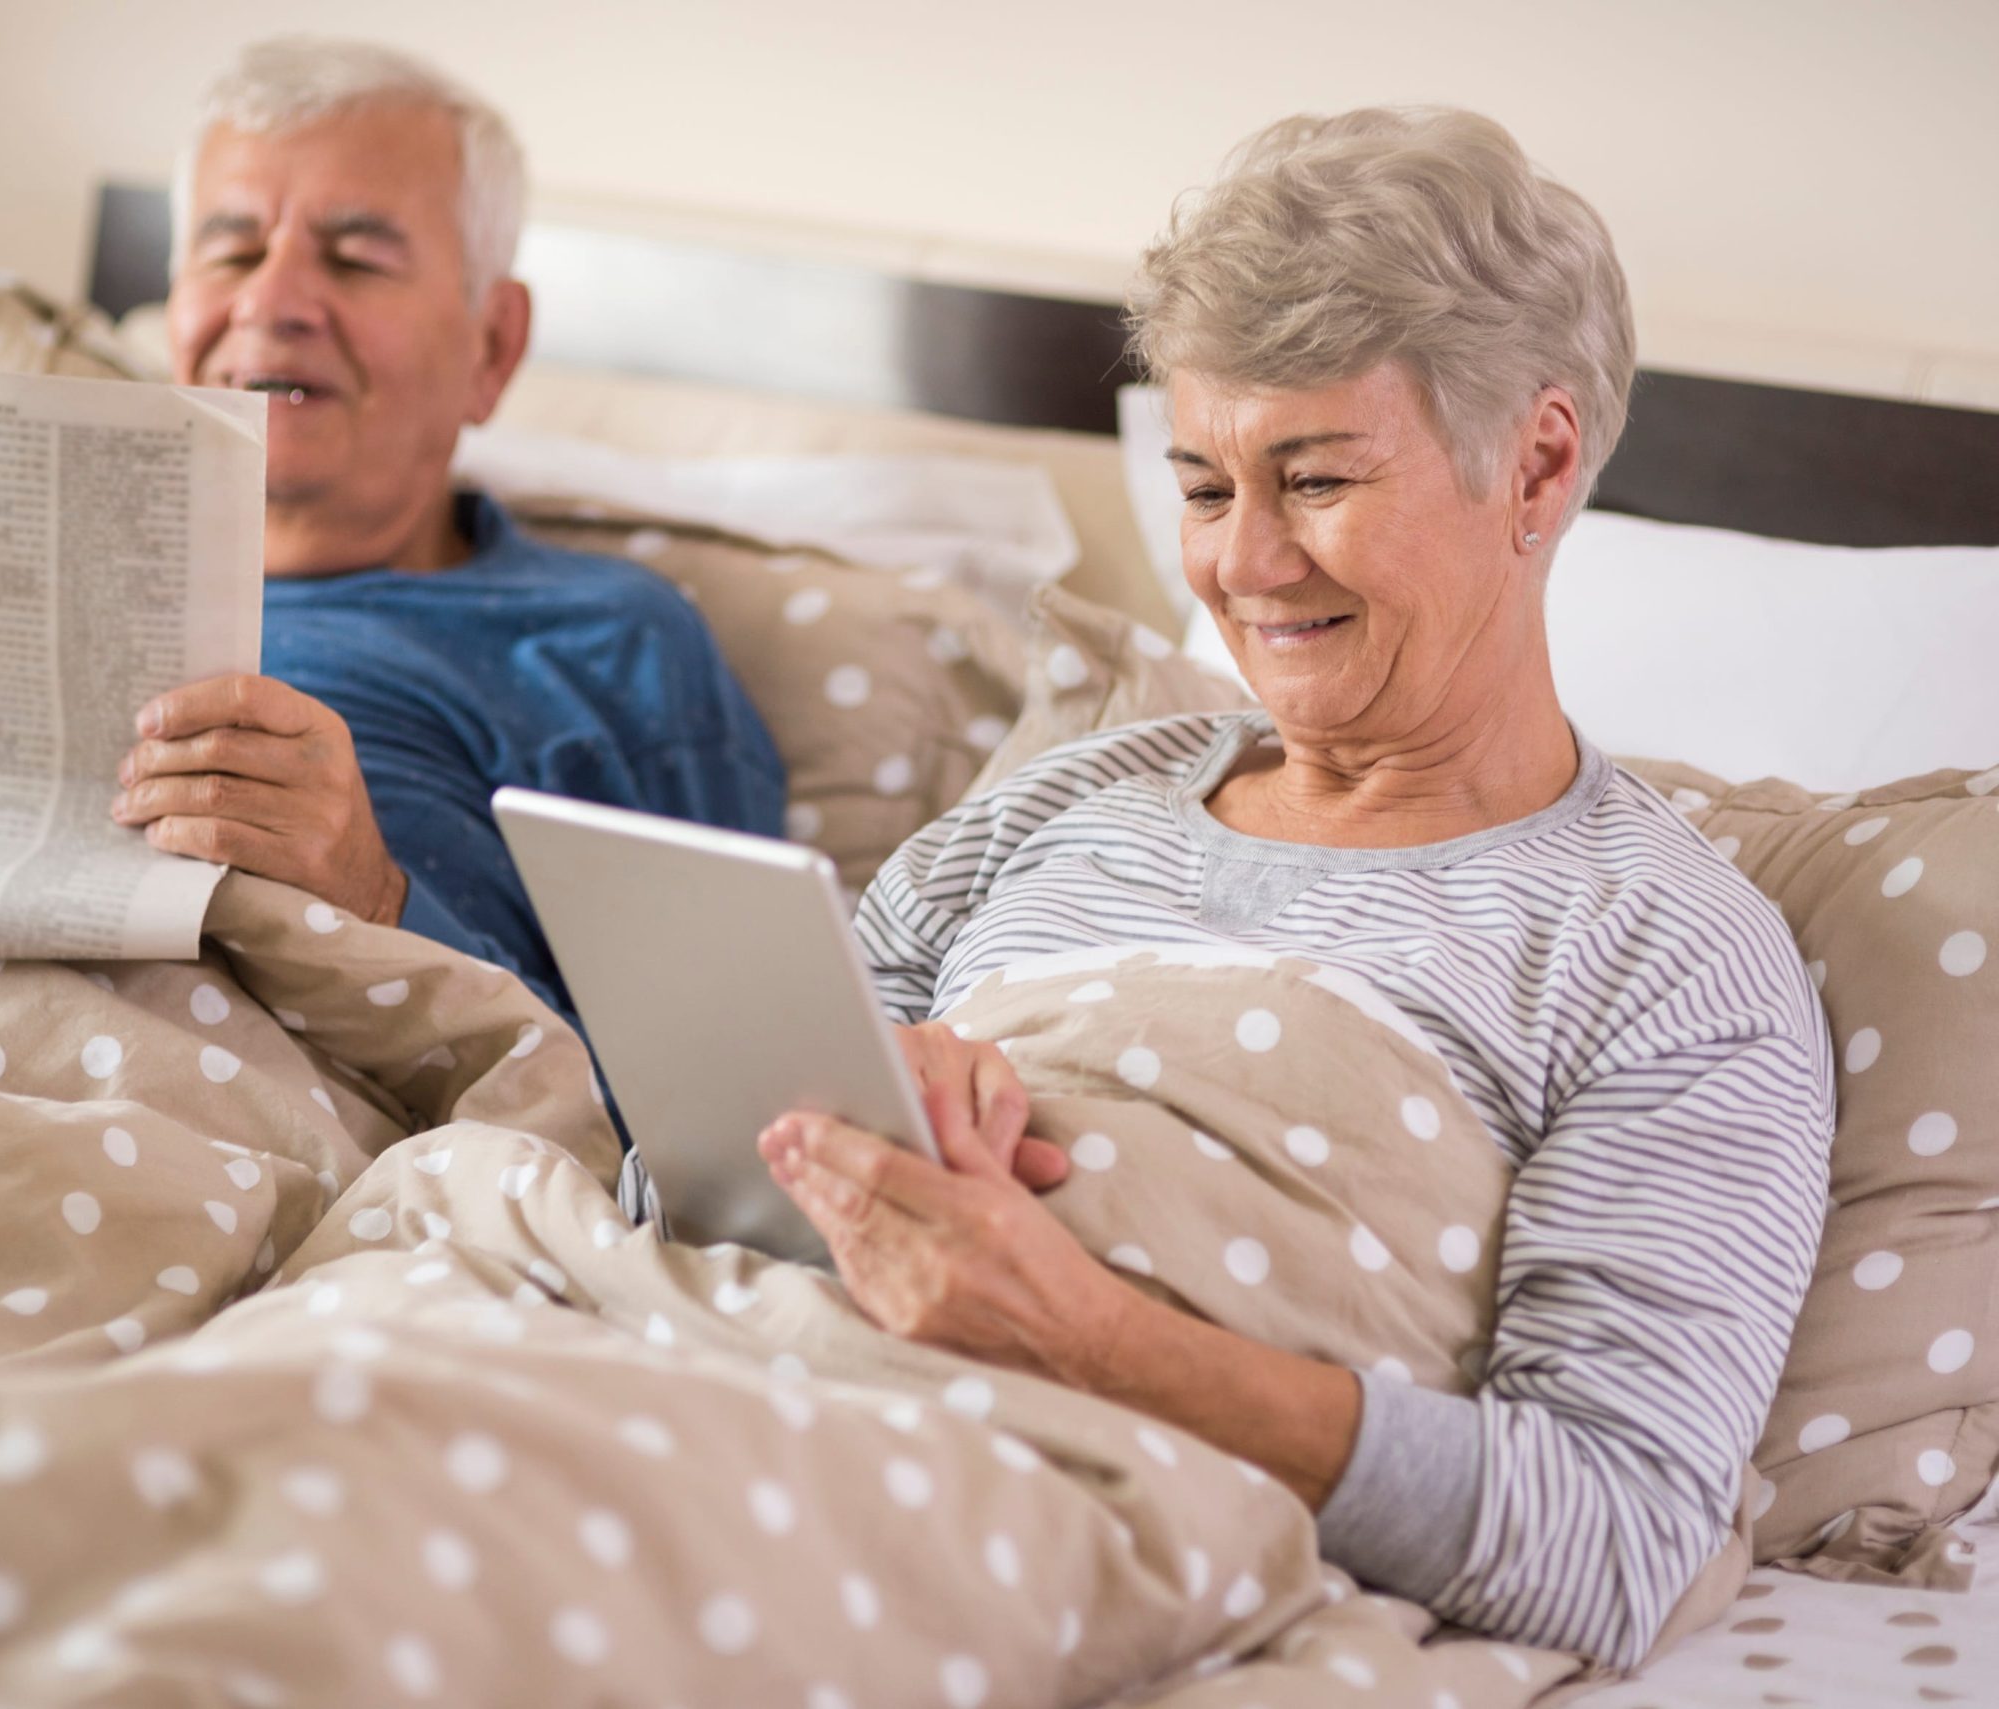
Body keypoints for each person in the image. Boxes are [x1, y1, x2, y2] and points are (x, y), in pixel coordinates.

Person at [755, 108, 1831, 1669]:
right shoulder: (1048, 807)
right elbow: (684, 1191)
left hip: (981, 1510)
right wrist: (839, 1121)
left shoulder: (1661, 957)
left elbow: (1614, 1541)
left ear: (1534, 463)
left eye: (1314, 478)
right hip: (727, 1365)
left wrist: (1079, 1331)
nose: (1244, 566)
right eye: (1202, 489)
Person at [0, 38, 784, 1020]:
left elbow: (715, 1120)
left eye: (355, 259)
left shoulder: (611, 640)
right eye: (231, 251)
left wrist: (371, 902)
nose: (274, 303)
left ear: (493, 345)